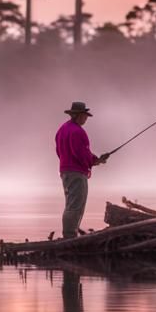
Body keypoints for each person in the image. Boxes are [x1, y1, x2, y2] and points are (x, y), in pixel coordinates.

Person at [55, 101, 108, 238]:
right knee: (76, 205)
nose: (86, 118)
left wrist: (94, 160)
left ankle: (70, 233)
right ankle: (70, 237)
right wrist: (93, 161)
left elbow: (60, 151)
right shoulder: (78, 131)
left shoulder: (62, 129)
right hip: (76, 173)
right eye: (84, 115)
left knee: (70, 204)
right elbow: (80, 153)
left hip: (65, 171)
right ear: (77, 115)